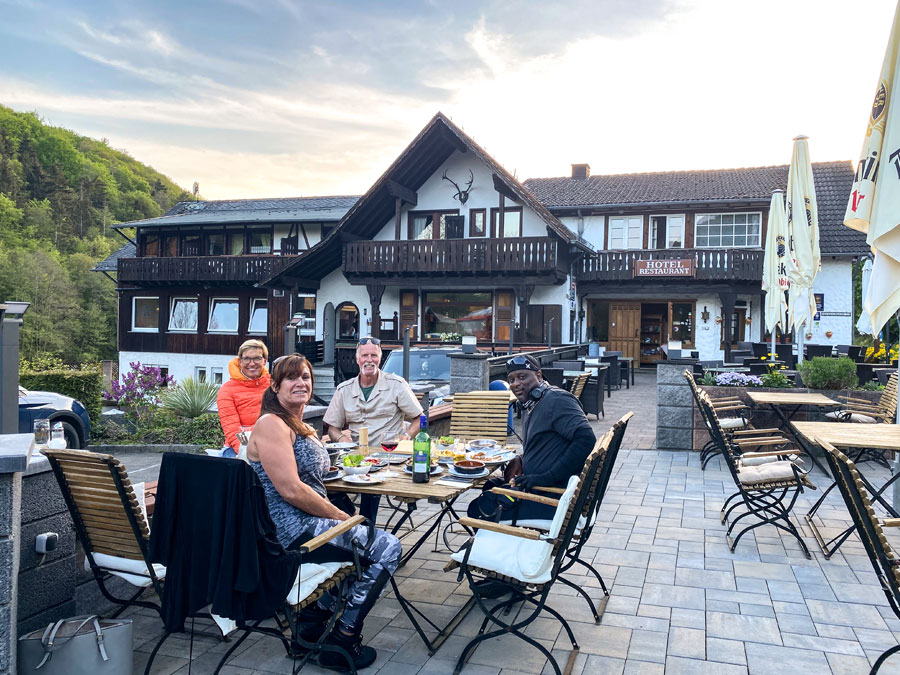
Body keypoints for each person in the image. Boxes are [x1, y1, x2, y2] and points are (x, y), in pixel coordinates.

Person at [248, 354, 401, 671]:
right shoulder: (270, 424)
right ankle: (343, 638)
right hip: (293, 532)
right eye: (291, 378)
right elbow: (290, 489)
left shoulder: (298, 424)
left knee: (365, 544)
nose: (300, 382)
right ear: (275, 386)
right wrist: (341, 518)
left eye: (305, 376)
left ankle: (310, 627)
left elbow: (310, 476)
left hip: (309, 522)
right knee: (386, 547)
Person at [468, 354, 596, 523]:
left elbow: (586, 439)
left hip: (551, 497)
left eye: (522, 377)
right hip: (539, 488)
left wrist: (546, 477)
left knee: (479, 508)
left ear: (539, 376)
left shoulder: (557, 400)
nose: (516, 384)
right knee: (490, 486)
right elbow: (547, 445)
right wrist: (520, 459)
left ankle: (505, 546)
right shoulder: (533, 402)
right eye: (512, 379)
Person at [324, 337, 423, 522]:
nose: (369, 360)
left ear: (380, 357)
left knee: (370, 487)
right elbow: (332, 427)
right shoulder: (344, 389)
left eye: (374, 355)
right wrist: (340, 439)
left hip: (387, 457)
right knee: (328, 484)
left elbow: (420, 418)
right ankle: (350, 521)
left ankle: (366, 531)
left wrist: (406, 436)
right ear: (357, 358)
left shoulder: (396, 384)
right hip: (355, 457)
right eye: (364, 355)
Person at [216, 339, 271, 457]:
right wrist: (247, 453)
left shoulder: (274, 385)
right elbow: (232, 430)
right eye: (247, 359)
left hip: (273, 442)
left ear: (264, 361)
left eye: (257, 358)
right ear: (240, 362)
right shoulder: (227, 390)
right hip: (241, 446)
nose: (252, 363)